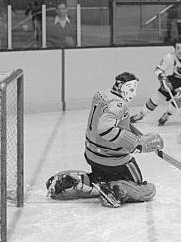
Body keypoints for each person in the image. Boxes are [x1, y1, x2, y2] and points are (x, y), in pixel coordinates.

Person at [46, 72, 163, 208]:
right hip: (114, 160)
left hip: (92, 155)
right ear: (121, 86)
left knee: (101, 178)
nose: (134, 93)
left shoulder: (102, 94)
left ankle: (82, 181)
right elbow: (105, 129)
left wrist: (131, 131)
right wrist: (136, 144)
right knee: (146, 189)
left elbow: (109, 121)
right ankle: (116, 190)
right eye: (131, 89)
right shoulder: (118, 105)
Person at [130, 37, 181, 126]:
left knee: (178, 100)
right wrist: (163, 78)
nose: (179, 51)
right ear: (174, 48)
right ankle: (141, 114)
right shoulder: (170, 57)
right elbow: (158, 69)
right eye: (177, 48)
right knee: (157, 97)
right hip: (175, 79)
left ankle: (167, 114)